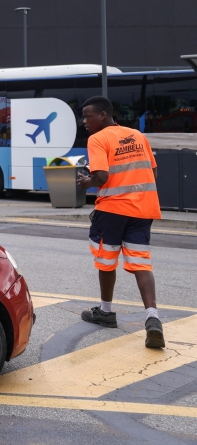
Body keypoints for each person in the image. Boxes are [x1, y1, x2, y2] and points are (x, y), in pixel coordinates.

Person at [76, 96, 164, 349]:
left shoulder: (98, 139)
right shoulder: (138, 135)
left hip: (113, 210)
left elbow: (101, 176)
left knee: (106, 260)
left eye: (87, 116)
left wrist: (87, 182)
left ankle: (105, 311)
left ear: (102, 115)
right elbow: (154, 173)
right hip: (143, 209)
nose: (84, 121)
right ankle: (152, 317)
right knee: (141, 263)